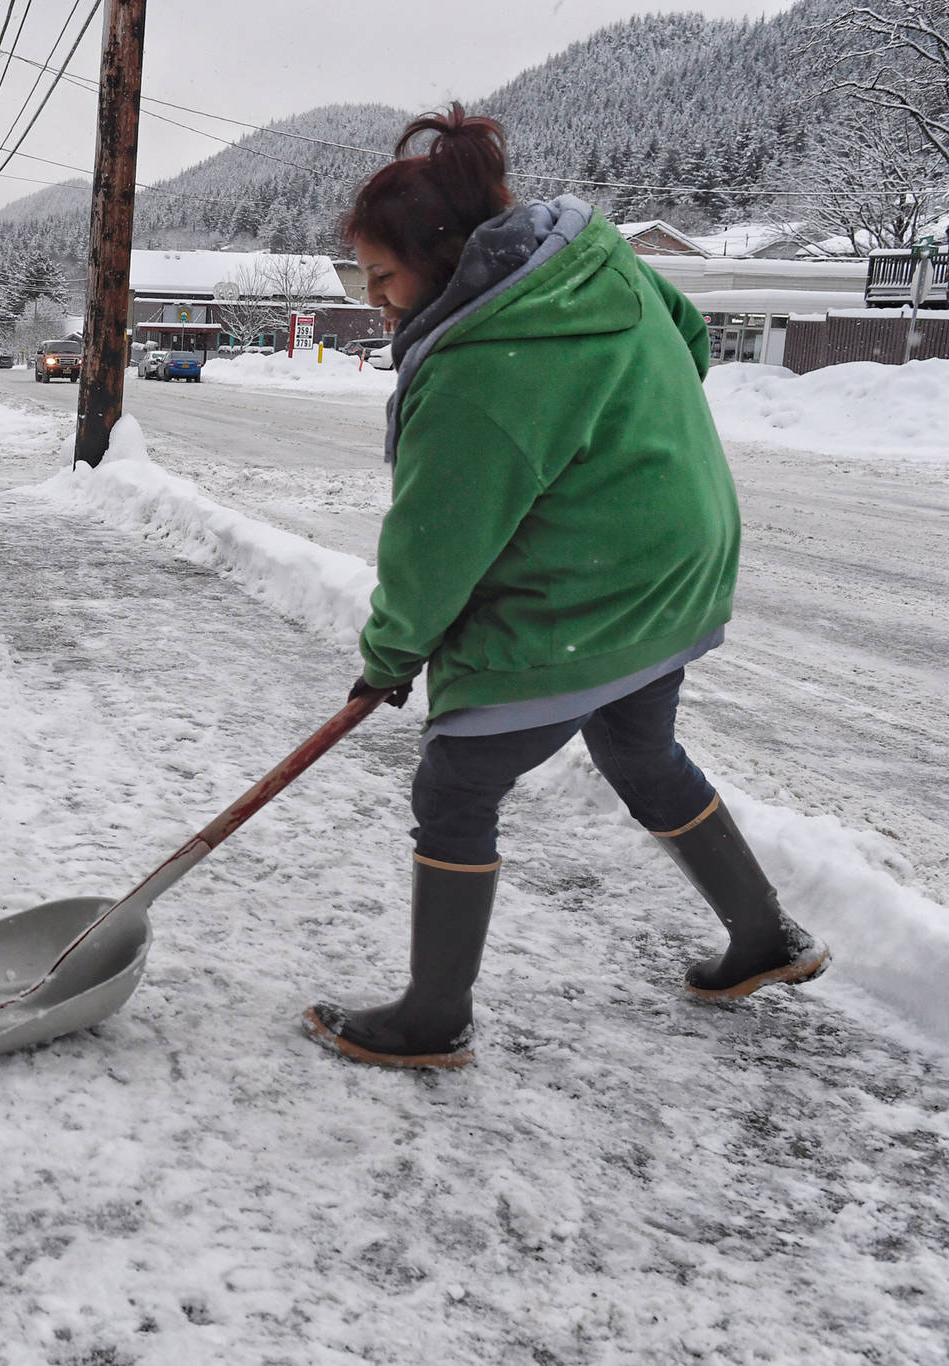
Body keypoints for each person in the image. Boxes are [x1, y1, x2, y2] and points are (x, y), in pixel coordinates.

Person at [304, 105, 829, 1070]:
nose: (377, 301)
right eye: (363, 279)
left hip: (602, 581)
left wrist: (389, 657)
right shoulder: (591, 263)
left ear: (447, 252)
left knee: (458, 778)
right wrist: (617, 447)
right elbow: (690, 340)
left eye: (382, 277)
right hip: (681, 552)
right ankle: (764, 938)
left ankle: (433, 1016)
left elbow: (436, 544)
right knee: (638, 744)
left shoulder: (478, 367)